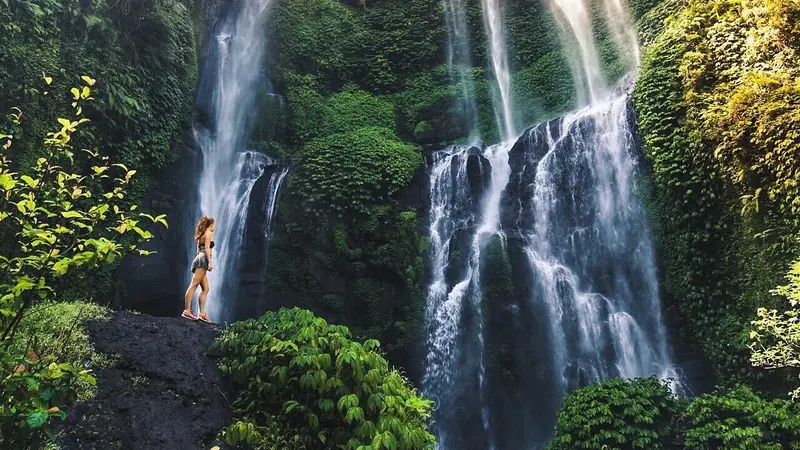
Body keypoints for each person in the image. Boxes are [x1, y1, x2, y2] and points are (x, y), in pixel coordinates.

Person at [183, 216, 215, 322]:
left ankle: (202, 313)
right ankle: (187, 310)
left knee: (206, 288)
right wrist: (209, 263)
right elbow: (207, 248)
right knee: (194, 285)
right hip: (203, 259)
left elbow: (198, 250)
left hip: (199, 258)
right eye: (214, 224)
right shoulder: (209, 233)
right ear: (211, 225)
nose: (215, 227)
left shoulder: (201, 235)